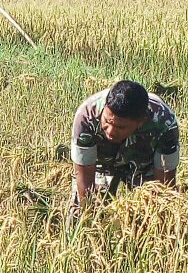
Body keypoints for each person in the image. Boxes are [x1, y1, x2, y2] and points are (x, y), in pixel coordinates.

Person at [70, 79, 179, 214]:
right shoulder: (86, 116)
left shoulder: (165, 123)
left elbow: (164, 187)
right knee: (81, 211)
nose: (110, 131)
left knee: (151, 212)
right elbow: (84, 178)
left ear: (141, 122)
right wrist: (88, 219)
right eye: (107, 122)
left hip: (144, 162)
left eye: (120, 127)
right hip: (101, 161)